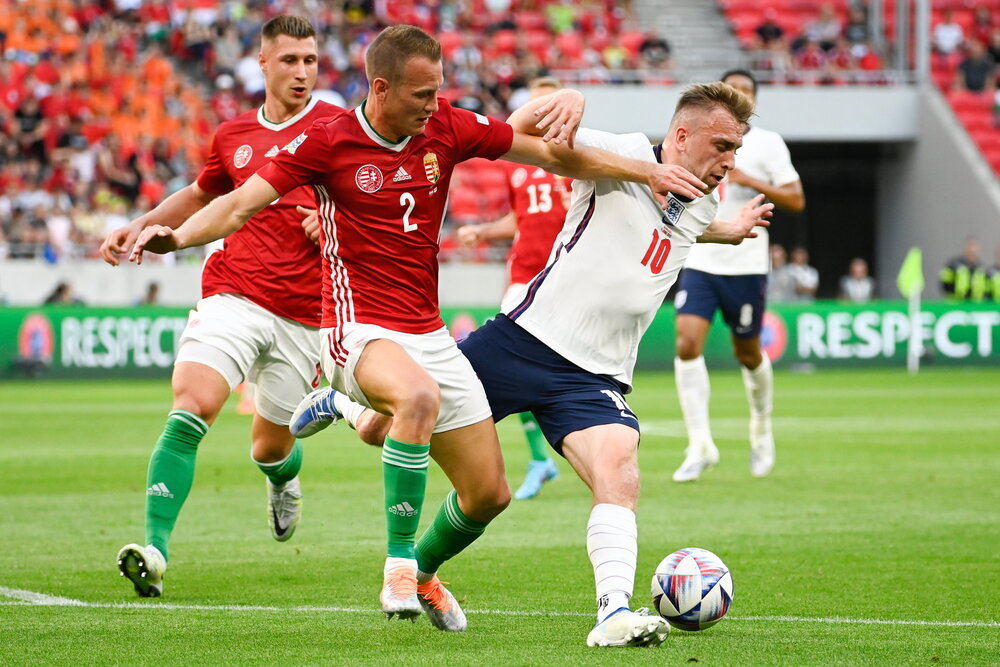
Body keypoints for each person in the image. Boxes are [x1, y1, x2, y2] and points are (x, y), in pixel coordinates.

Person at [128, 25, 707, 632]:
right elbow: (239, 203)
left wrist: (647, 173)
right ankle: (398, 569)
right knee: (417, 397)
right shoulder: (327, 142)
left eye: (438, 92)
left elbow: (549, 153)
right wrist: (177, 237)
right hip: (355, 324)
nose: (434, 105)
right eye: (422, 95)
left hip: (427, 331)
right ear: (381, 88)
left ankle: (426, 572)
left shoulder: (446, 126)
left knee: (489, 494)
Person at [292, 82, 770, 647]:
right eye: (722, 145)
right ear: (682, 135)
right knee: (382, 427)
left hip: (593, 376)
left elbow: (680, 230)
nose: (731, 161)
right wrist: (566, 98)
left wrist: (728, 230)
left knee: (620, 467)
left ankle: (611, 612)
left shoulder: (706, 201)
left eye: (737, 148)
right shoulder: (621, 156)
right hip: (523, 342)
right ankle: (342, 402)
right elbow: (514, 136)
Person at [100, 15, 345, 598]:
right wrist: (138, 225)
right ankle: (155, 550)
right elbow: (201, 194)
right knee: (193, 401)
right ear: (262, 63)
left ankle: (283, 481)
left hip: (305, 313)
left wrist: (335, 221)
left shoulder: (339, 128)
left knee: (270, 447)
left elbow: (377, 195)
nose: (302, 72)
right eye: (290, 60)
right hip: (233, 291)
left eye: (310, 61)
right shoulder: (234, 135)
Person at [671, 69, 805, 483]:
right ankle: (699, 444)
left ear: (754, 102)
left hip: (745, 264)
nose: (739, 96)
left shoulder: (766, 144)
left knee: (747, 353)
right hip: (701, 257)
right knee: (686, 343)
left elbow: (796, 199)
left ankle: (761, 429)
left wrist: (749, 179)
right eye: (733, 91)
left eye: (746, 92)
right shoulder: (702, 137)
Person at [455, 77, 571, 501]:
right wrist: (483, 232)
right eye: (535, 106)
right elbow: (521, 219)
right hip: (524, 276)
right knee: (513, 363)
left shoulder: (573, 160)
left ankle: (564, 446)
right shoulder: (517, 164)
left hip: (564, 278)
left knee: (562, 368)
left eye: (548, 105)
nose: (541, 114)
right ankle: (539, 458)